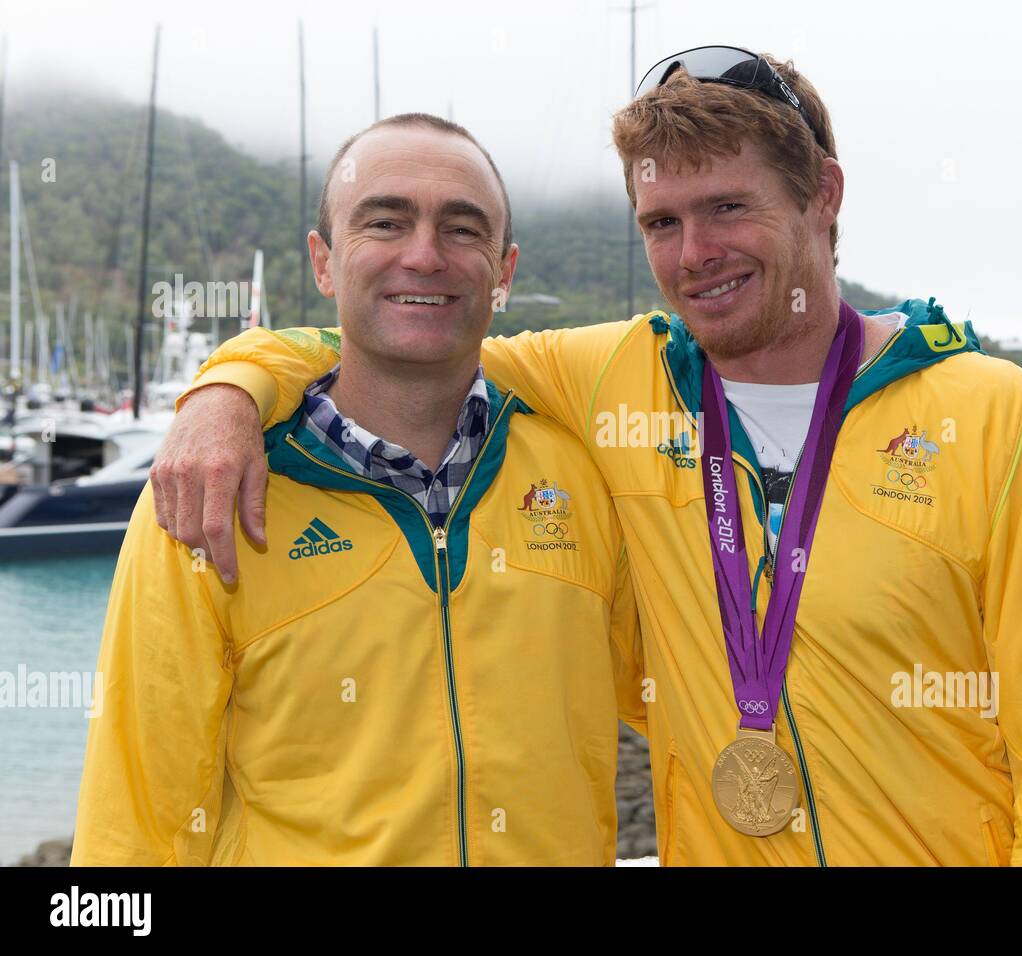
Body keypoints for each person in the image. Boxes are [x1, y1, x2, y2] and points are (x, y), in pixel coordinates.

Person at [150, 48, 1022, 865]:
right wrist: (226, 390)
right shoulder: (615, 378)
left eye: (727, 207)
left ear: (823, 197)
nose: (692, 253)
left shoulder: (985, 412)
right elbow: (399, 332)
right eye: (660, 223)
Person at [72, 114, 643, 866]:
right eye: (385, 221)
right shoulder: (213, 487)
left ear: (503, 273)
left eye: (462, 230)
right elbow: (139, 811)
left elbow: (684, 699)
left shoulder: (583, 475)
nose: (424, 255)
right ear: (323, 261)